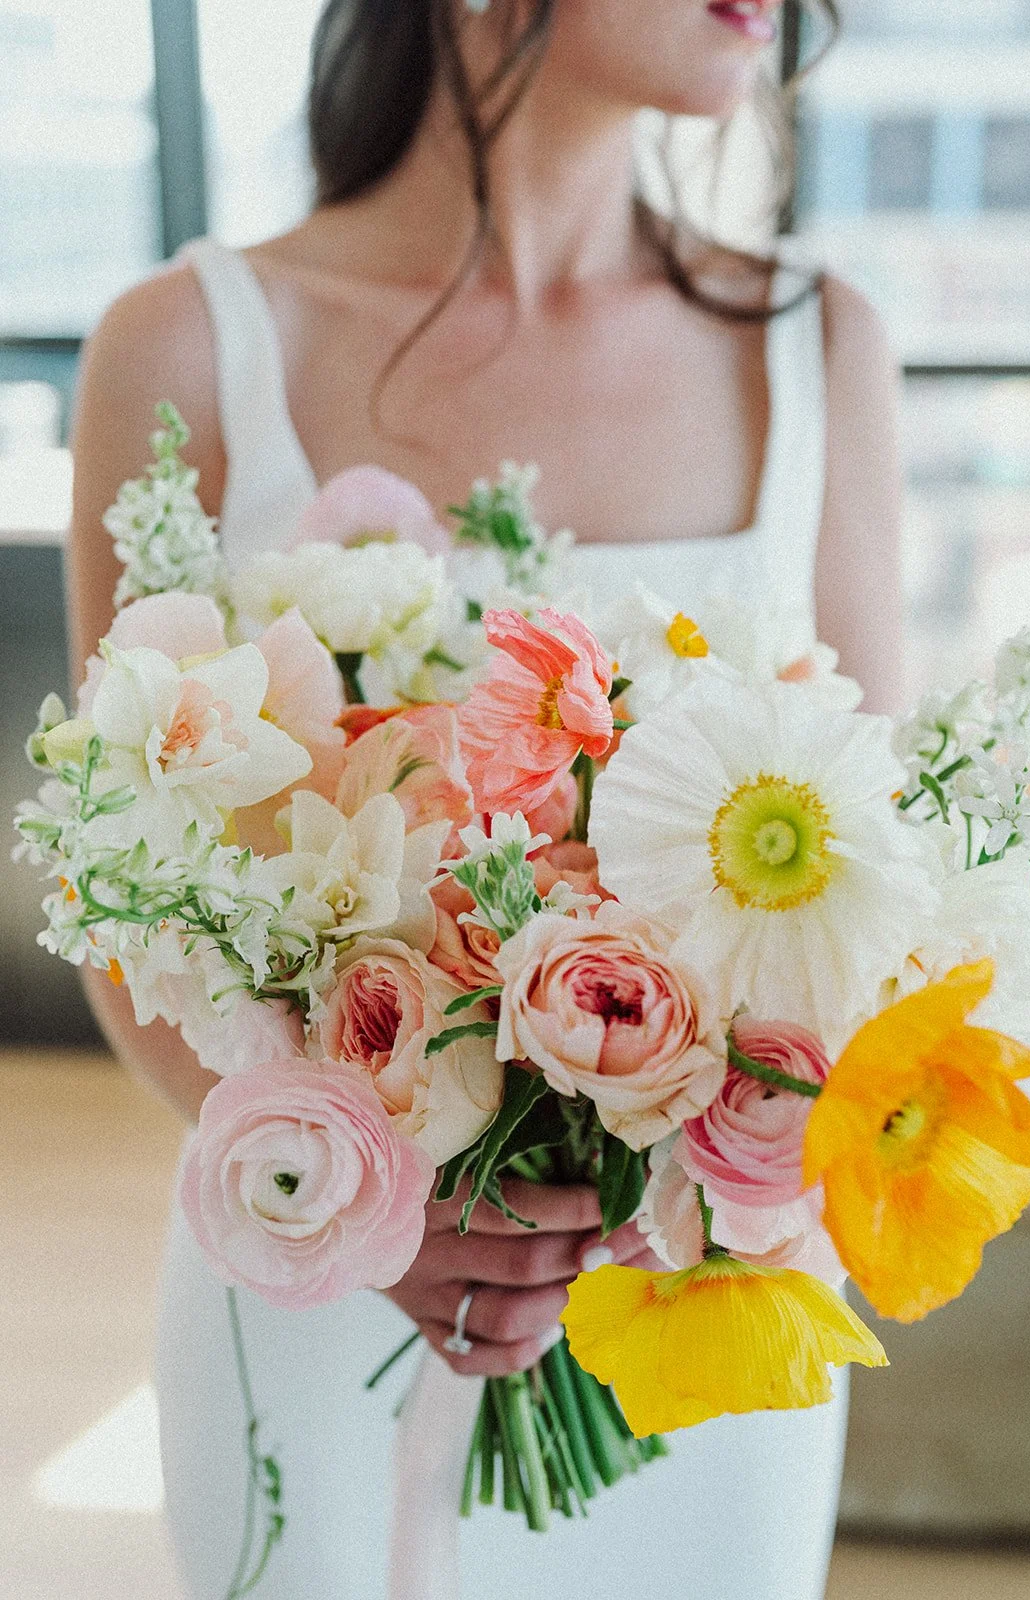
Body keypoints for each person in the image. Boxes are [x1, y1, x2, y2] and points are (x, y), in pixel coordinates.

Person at [67, 1, 903, 1595]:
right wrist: (358, 1196)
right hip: (310, 1272)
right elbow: (129, 918)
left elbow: (874, 900)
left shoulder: (820, 347)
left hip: (697, 1339)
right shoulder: (187, 346)